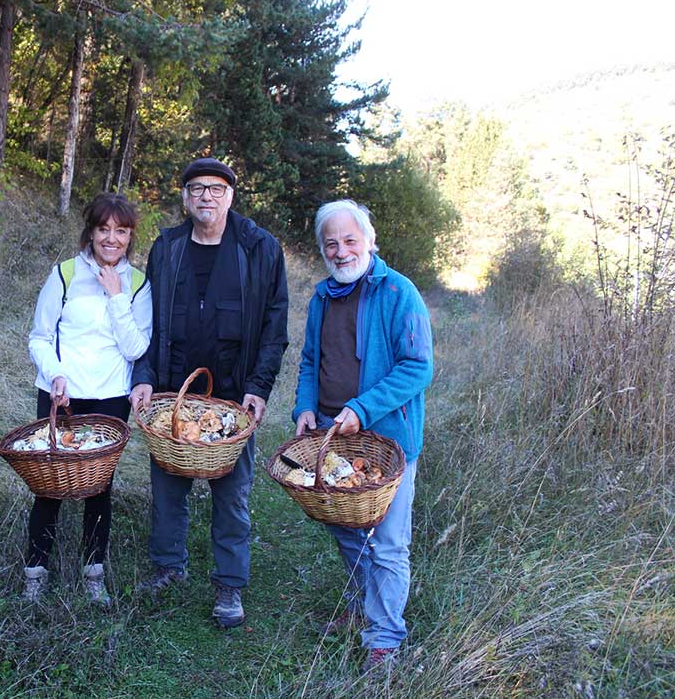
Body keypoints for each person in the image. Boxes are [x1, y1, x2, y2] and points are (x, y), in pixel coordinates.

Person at [130, 157, 288, 628]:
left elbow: (274, 327)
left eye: (216, 189)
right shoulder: (168, 247)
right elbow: (146, 320)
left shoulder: (259, 248)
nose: (206, 196)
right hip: (171, 394)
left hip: (233, 398)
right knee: (167, 489)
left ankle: (229, 586)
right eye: (196, 188)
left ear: (230, 197)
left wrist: (259, 388)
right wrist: (143, 374)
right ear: (184, 198)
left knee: (233, 494)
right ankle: (168, 568)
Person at [291, 199, 433, 672]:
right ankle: (366, 606)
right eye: (331, 244)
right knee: (345, 525)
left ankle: (385, 639)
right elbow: (311, 361)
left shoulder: (399, 293)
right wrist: (305, 407)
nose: (341, 251)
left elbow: (418, 367)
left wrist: (363, 407)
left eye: (350, 240)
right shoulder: (321, 298)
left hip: (387, 441)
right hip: (334, 441)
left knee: (389, 542)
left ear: (370, 241)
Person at [24, 192, 153, 606]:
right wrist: (55, 374)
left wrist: (116, 295)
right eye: (104, 229)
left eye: (121, 231)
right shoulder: (63, 274)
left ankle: (94, 573)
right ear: (91, 231)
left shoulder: (137, 283)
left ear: (130, 236)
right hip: (61, 395)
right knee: (49, 485)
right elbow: (40, 337)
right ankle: (35, 574)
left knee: (99, 487)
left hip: (111, 399)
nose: (111, 238)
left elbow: (136, 348)